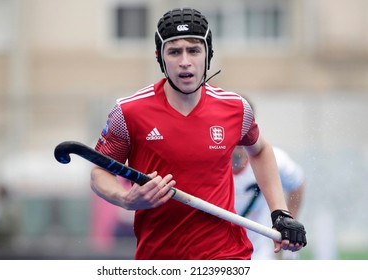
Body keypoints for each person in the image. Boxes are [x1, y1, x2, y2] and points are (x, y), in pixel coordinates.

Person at [90, 7, 307, 260]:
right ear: (160, 57)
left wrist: (280, 213)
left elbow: (260, 151)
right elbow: (100, 171)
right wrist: (126, 198)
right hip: (159, 258)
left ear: (208, 54)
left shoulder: (236, 108)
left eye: (194, 50)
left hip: (228, 256)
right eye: (174, 51)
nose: (185, 61)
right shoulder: (128, 112)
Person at [233, 145, 305, 259]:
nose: (238, 142)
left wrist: (288, 226)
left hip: (261, 254)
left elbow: (296, 184)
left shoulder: (273, 160)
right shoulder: (204, 167)